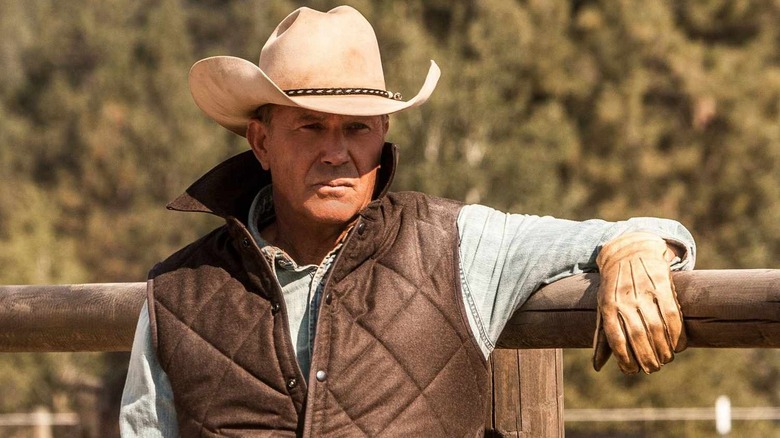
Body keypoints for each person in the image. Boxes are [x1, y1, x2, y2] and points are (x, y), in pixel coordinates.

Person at [119, 5, 696, 437]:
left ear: (382, 135)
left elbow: (633, 233)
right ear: (261, 141)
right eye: (311, 126)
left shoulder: (457, 244)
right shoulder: (177, 293)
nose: (337, 152)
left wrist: (635, 249)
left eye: (357, 128)